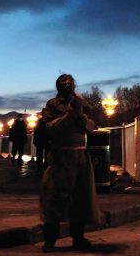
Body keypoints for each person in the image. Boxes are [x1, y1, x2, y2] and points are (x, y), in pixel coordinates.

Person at [40, 74, 100, 252]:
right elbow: (51, 128)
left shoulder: (82, 103)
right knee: (54, 198)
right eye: (63, 82)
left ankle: (78, 238)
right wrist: (69, 115)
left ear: (74, 85)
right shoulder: (52, 104)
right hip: (60, 157)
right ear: (58, 86)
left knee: (80, 199)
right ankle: (50, 240)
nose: (67, 84)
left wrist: (81, 116)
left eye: (70, 82)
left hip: (80, 156)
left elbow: (92, 126)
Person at [33, 109, 50, 174]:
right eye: (45, 113)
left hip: (47, 141)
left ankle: (46, 168)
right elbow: (36, 131)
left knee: (47, 155)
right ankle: (39, 168)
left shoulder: (50, 121)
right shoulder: (39, 121)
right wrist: (35, 140)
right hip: (39, 141)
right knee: (39, 155)